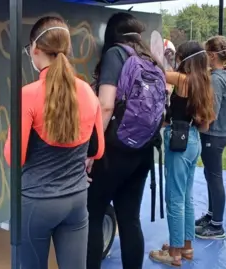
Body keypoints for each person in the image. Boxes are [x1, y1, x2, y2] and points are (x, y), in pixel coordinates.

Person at [3, 16, 104, 269]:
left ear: (35, 50)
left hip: (37, 202)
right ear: (66, 50)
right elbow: (97, 150)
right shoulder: (88, 92)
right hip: (76, 200)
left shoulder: (28, 95)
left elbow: (14, 158)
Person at [86, 12, 166, 269]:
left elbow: (106, 105)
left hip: (113, 151)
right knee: (130, 219)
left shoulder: (115, 55)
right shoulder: (150, 59)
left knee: (94, 215)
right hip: (143, 152)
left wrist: (92, 150)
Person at [149, 40, 216, 267]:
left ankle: (174, 253)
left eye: (177, 57)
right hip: (194, 140)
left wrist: (157, 56)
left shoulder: (182, 80)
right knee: (186, 198)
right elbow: (205, 125)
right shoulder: (205, 84)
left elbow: (158, 72)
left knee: (174, 199)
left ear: (185, 60)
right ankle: (186, 247)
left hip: (179, 142)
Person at [195, 35, 226, 239]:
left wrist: (196, 121)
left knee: (214, 178)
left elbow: (210, 113)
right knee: (210, 175)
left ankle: (217, 226)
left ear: (212, 55)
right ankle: (212, 216)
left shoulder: (215, 80)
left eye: (206, 54)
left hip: (214, 134)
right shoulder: (225, 74)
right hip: (222, 132)